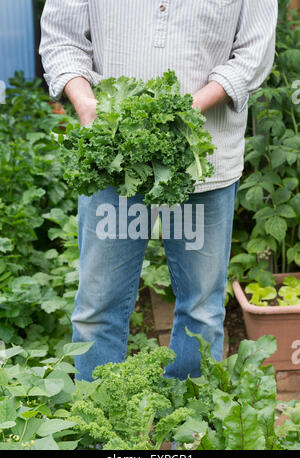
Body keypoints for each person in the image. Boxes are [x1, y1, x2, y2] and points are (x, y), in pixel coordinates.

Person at [40, 0, 278, 381]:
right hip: (113, 161)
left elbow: (255, 50)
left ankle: (185, 431)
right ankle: (104, 433)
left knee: (201, 310)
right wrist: (86, 104)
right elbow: (61, 38)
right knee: (98, 309)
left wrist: (190, 109)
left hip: (204, 163)